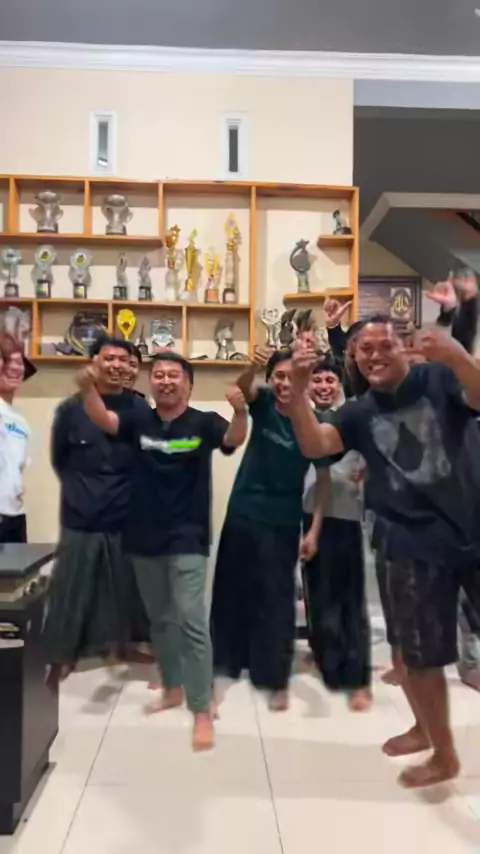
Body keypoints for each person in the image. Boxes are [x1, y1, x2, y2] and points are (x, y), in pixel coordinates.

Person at [286, 319, 480, 789]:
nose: (373, 355)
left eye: (383, 345)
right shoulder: (357, 412)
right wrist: (296, 397)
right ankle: (442, 752)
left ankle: (429, 733)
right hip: (409, 540)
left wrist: (457, 355)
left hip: (473, 526)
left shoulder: (438, 377)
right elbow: (317, 444)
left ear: (405, 346)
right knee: (419, 655)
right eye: (362, 349)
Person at [77, 351, 248, 751]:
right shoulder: (139, 419)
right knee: (161, 620)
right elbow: (104, 419)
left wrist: (241, 412)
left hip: (188, 535)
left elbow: (233, 439)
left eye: (174, 375)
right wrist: (87, 388)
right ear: (151, 382)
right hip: (143, 535)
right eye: (159, 375)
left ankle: (201, 708)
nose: (166, 381)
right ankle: (172, 687)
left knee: (190, 617)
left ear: (188, 384)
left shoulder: (204, 422)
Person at [210, 348, 331, 712]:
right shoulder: (263, 404)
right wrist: (251, 365)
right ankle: (224, 664)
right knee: (230, 592)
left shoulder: (314, 424)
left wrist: (314, 532)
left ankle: (274, 676)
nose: (284, 382)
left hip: (283, 522)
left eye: (292, 376)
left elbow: (324, 482)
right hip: (242, 512)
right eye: (278, 375)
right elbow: (241, 387)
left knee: (276, 601)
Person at [44, 336, 150, 686]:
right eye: (108, 358)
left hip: (126, 513)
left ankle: (123, 647)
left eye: (123, 358)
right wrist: (80, 490)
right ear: (94, 362)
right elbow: (60, 459)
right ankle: (60, 656)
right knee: (70, 590)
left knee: (125, 589)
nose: (115, 365)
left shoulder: (138, 408)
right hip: (81, 513)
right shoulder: (70, 409)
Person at [300, 356, 372, 711]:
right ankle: (325, 660)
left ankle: (357, 677)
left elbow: (380, 445)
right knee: (317, 592)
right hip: (308, 514)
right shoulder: (303, 419)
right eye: (317, 380)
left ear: (340, 385)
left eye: (330, 380)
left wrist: (368, 468)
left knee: (349, 597)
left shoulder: (353, 417)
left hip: (344, 515)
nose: (324, 386)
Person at [0, 332, 30, 543]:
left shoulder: (20, 421)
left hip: (15, 517)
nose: (14, 368)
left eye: (19, 362)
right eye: (7, 361)